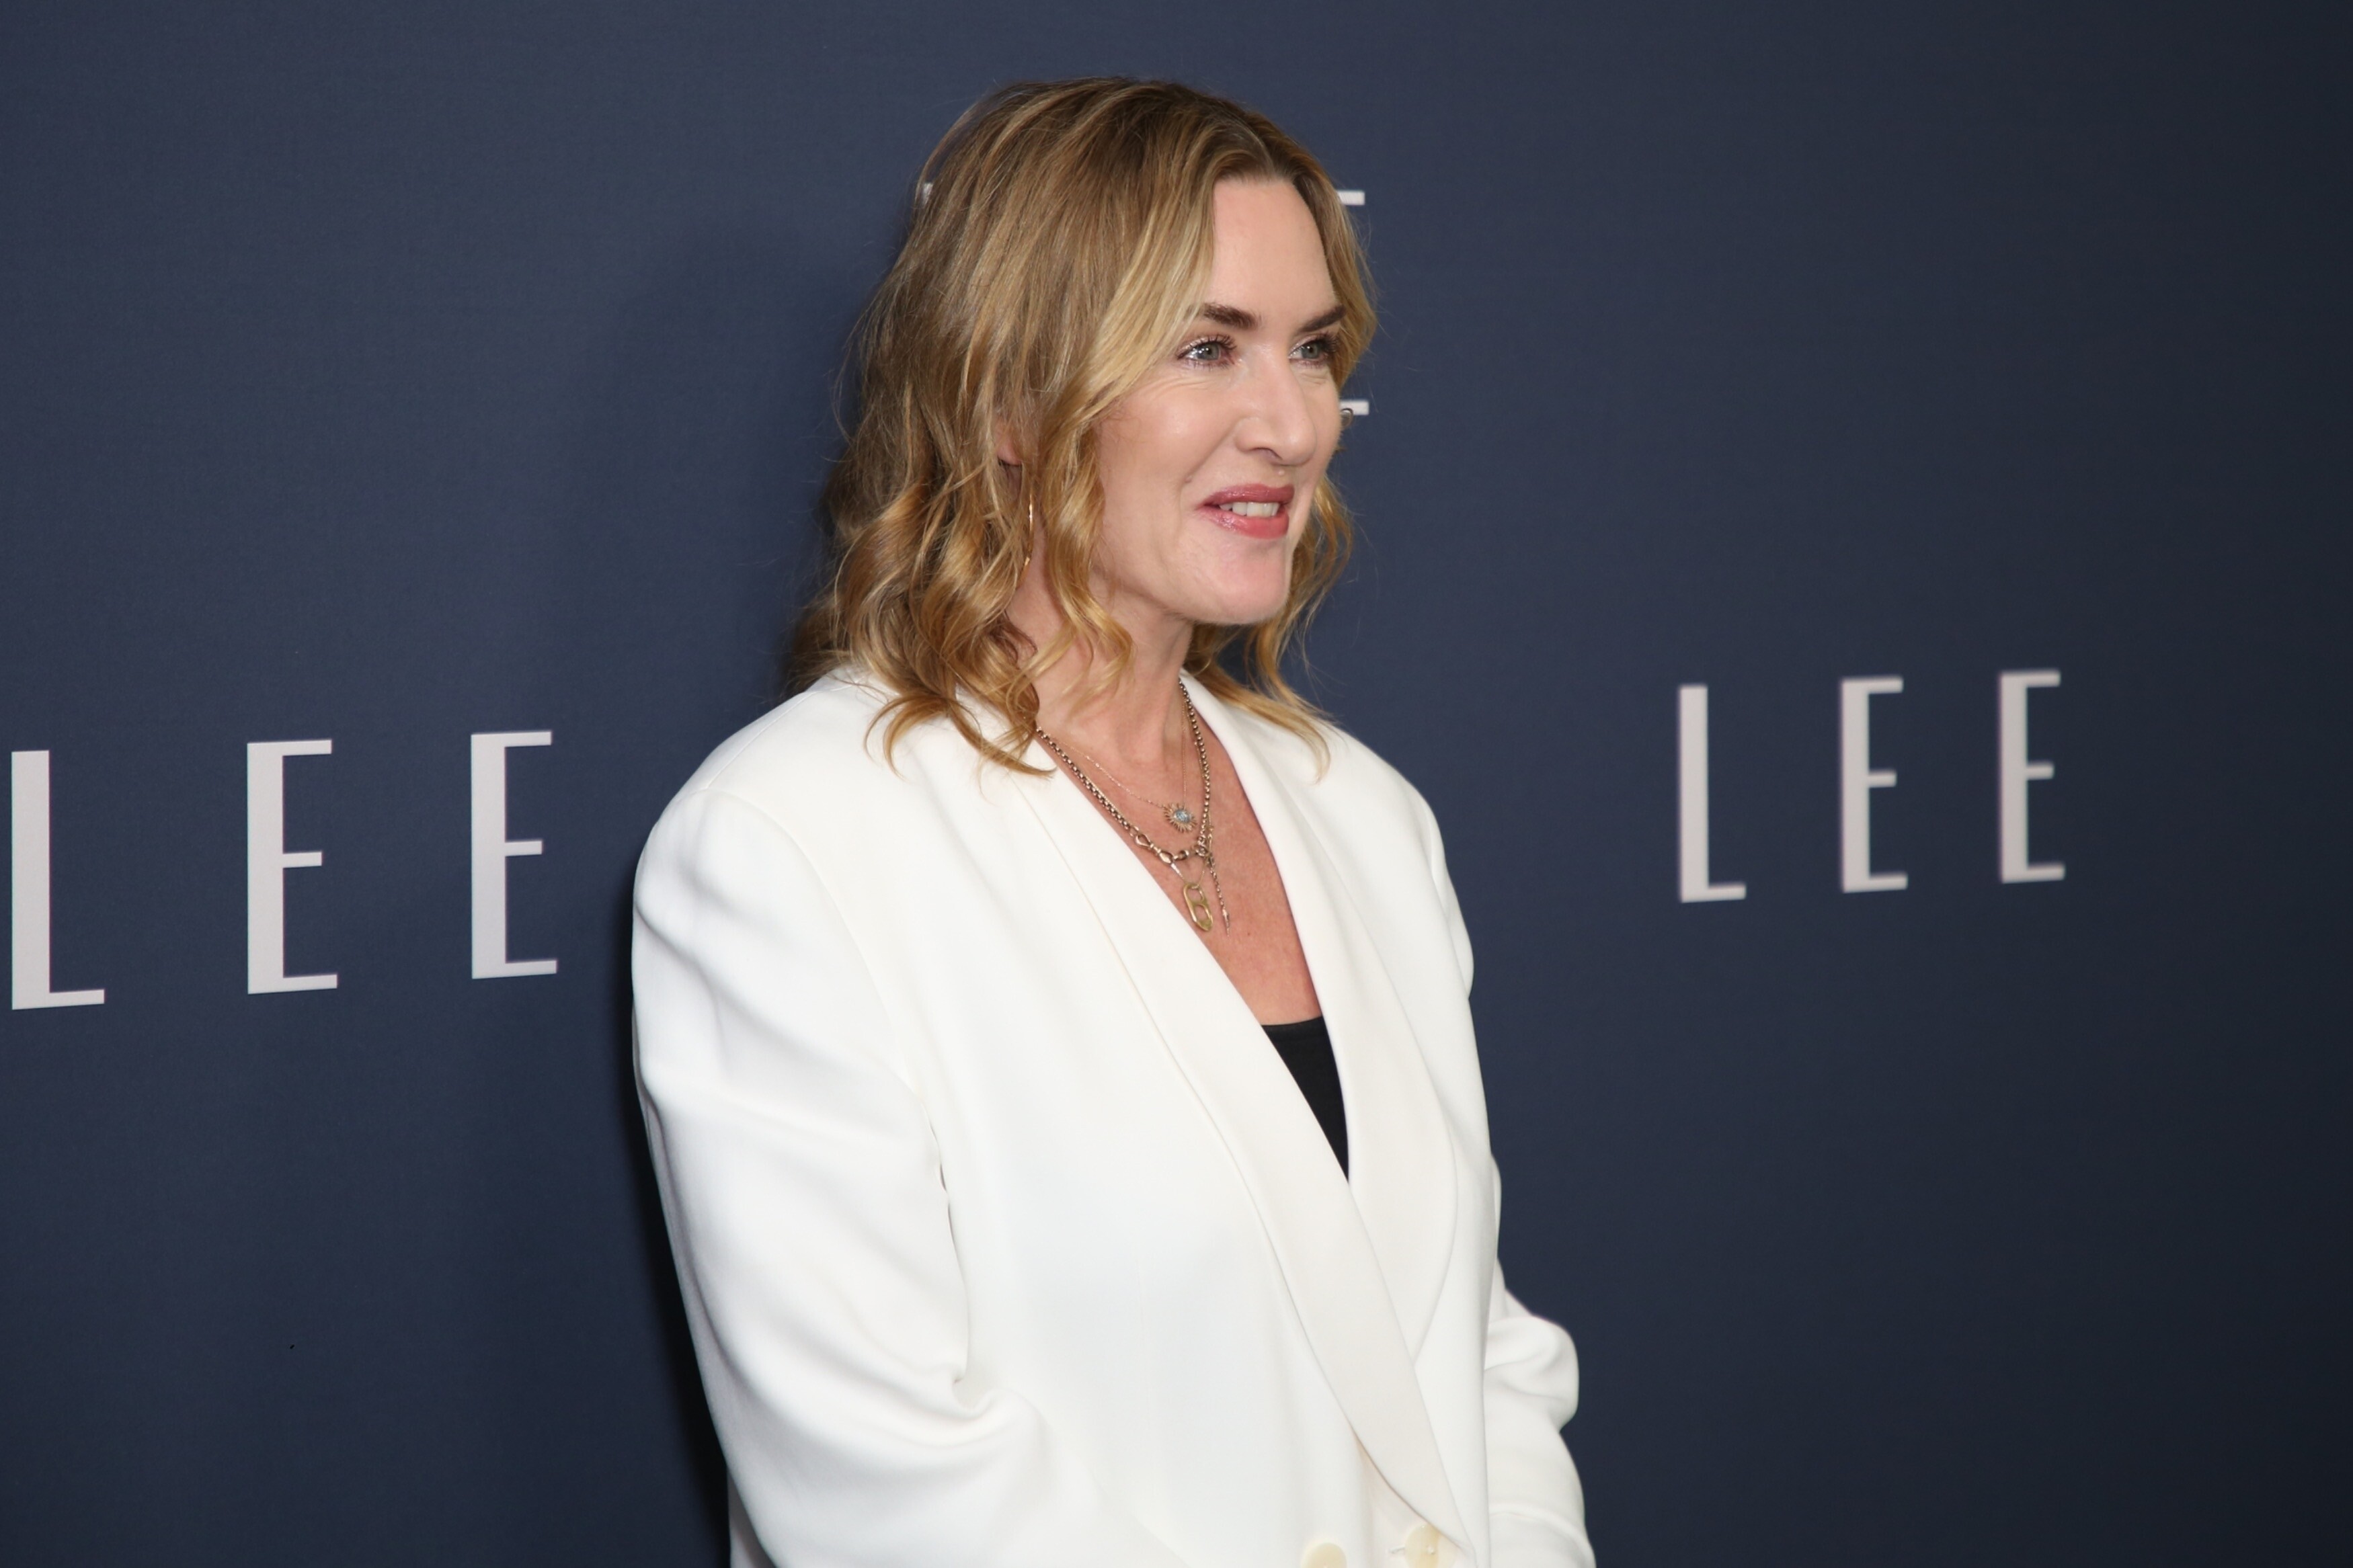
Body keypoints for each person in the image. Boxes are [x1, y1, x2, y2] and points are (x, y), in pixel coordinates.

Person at [631, 77, 1593, 1568]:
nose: (1293, 424)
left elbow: (1475, 1356)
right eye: (1207, 348)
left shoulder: (1361, 817)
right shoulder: (792, 846)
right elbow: (890, 1490)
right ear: (1009, 398)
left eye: (1312, 349)